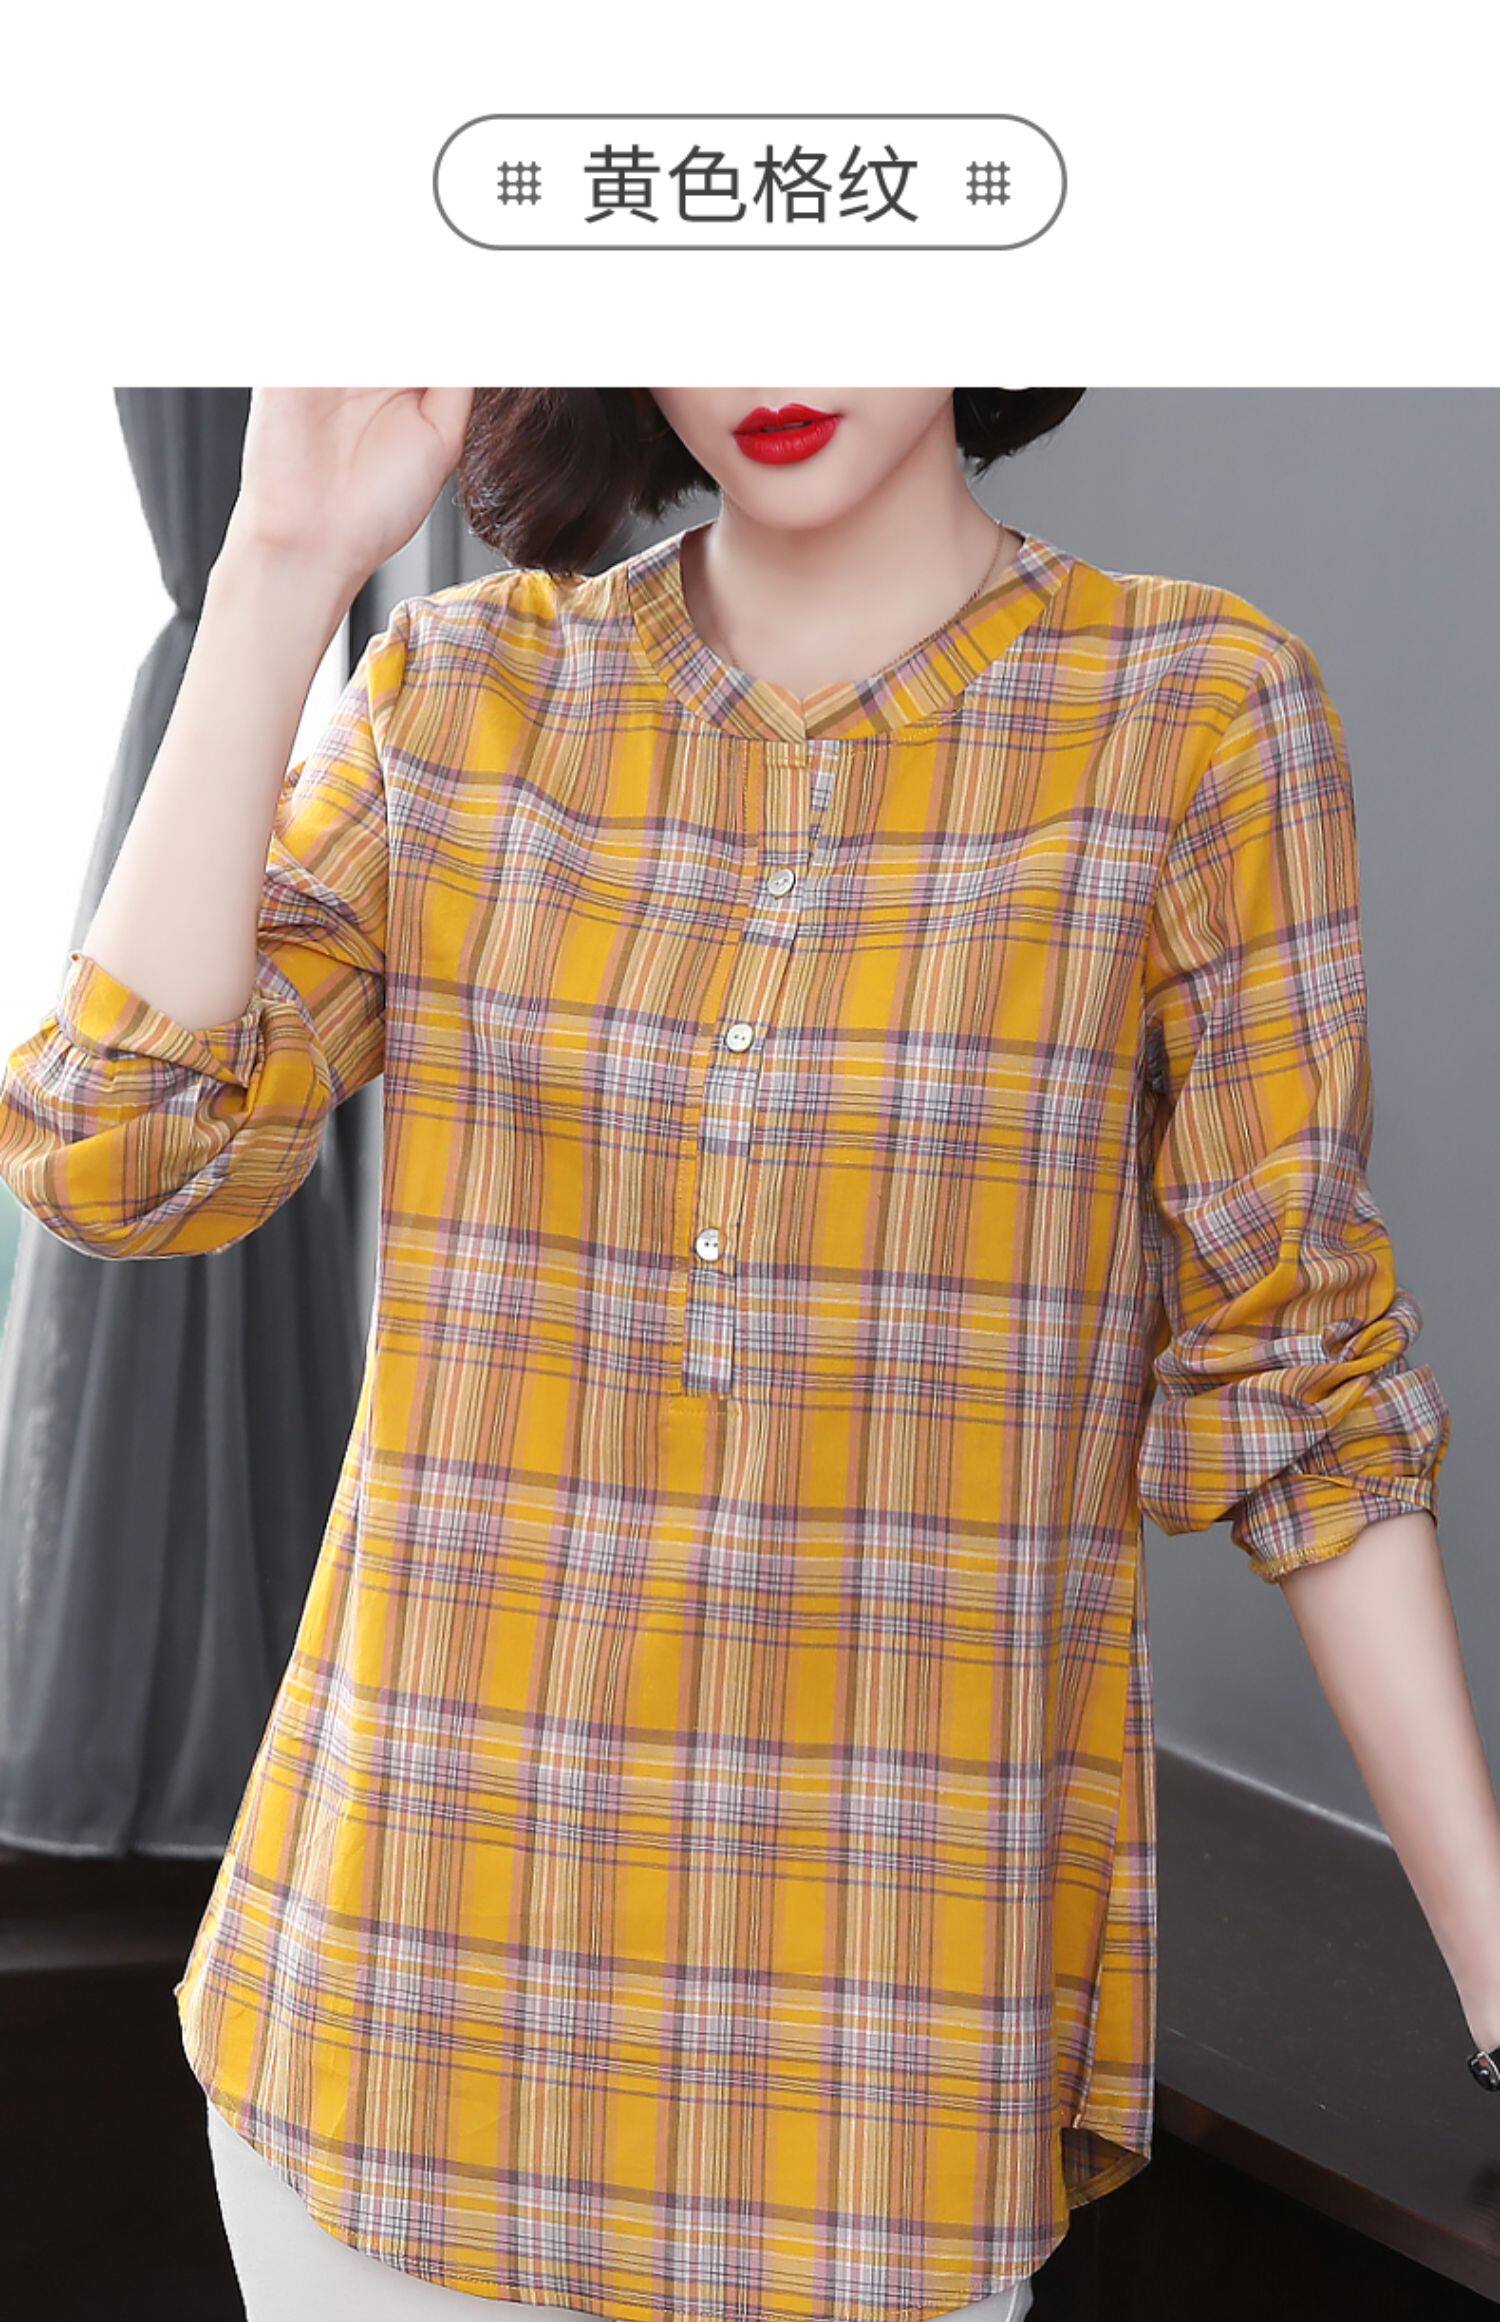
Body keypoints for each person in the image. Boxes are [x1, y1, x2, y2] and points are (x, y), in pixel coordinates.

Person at [0, 387, 1494, 2322]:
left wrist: (1490, 1968)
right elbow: (120, 1155)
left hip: (878, 2084)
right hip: (388, 2029)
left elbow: (1302, 1389)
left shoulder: (1195, 717)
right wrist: (281, 567)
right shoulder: (461, 691)